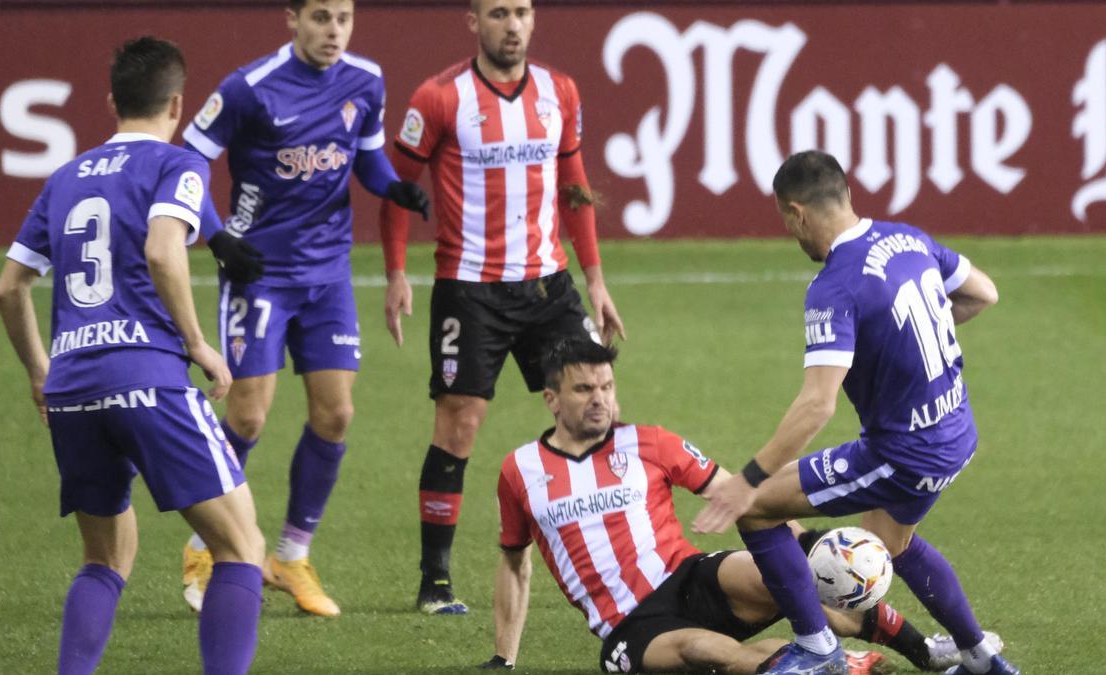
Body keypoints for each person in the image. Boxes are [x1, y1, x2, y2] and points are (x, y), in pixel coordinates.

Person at [0, 37, 264, 674]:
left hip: (72, 386)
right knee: (241, 546)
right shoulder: (178, 166)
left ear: (112, 100)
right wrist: (198, 343)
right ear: (177, 104)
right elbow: (164, 251)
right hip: (145, 375)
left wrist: (40, 374)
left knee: (105, 560)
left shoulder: (63, 177)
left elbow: (9, 286)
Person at [484, 339, 998, 674]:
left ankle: (925, 652)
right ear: (551, 398)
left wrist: (808, 547)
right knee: (705, 651)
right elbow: (513, 560)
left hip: (688, 576)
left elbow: (745, 495)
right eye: (583, 389)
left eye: (606, 386)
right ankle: (839, 667)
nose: (599, 398)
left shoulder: (650, 443)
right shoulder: (520, 471)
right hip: (629, 626)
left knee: (799, 577)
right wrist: (504, 658)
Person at [692, 151, 1019, 675]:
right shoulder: (909, 238)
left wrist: (746, 479)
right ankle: (983, 659)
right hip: (956, 430)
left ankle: (817, 649)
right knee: (893, 542)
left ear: (797, 213)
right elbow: (984, 293)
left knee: (755, 508)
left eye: (785, 221)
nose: (791, 234)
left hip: (904, 451)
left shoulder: (835, 285)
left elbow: (817, 404)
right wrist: (905, 345)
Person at [179, 0, 431, 616]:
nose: (335, 31)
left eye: (344, 18)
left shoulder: (365, 80)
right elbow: (186, 160)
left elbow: (366, 156)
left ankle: (291, 556)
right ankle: (204, 546)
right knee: (248, 417)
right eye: (321, 17)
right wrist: (218, 237)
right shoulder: (249, 88)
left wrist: (390, 185)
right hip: (259, 273)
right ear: (291, 18)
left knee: (337, 414)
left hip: (328, 275)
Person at [379, 0, 626, 615]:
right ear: (474, 23)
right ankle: (434, 581)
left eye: (520, 12)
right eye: (498, 14)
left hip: (549, 284)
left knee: (596, 402)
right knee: (459, 423)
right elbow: (396, 189)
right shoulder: (439, 98)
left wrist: (595, 280)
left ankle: (623, 561)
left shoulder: (559, 91)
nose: (511, 25)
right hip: (471, 287)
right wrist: (395, 273)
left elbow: (574, 185)